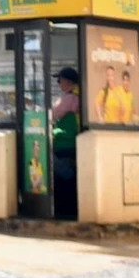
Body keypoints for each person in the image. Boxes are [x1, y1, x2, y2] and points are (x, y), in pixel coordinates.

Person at [50, 67, 82, 219]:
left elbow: (54, 113)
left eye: (60, 80)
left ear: (69, 81)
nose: (58, 83)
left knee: (61, 174)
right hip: (75, 143)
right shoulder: (80, 95)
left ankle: (63, 210)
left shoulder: (70, 98)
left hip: (65, 145)